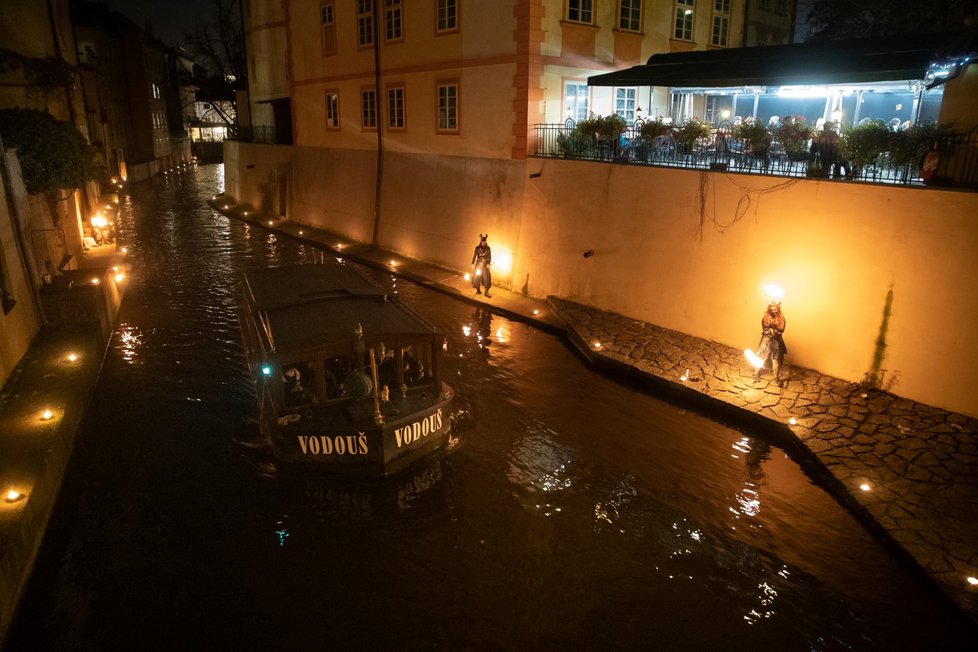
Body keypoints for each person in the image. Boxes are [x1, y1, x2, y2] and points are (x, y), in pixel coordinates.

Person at [753, 300, 787, 386]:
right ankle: (756, 373)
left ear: (778, 309)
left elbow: (781, 329)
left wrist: (775, 330)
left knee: (776, 359)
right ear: (769, 309)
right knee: (762, 356)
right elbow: (764, 327)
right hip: (766, 339)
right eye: (772, 309)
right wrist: (769, 331)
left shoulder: (781, 318)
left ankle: (776, 378)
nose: (773, 311)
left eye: (775, 309)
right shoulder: (766, 317)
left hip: (776, 341)